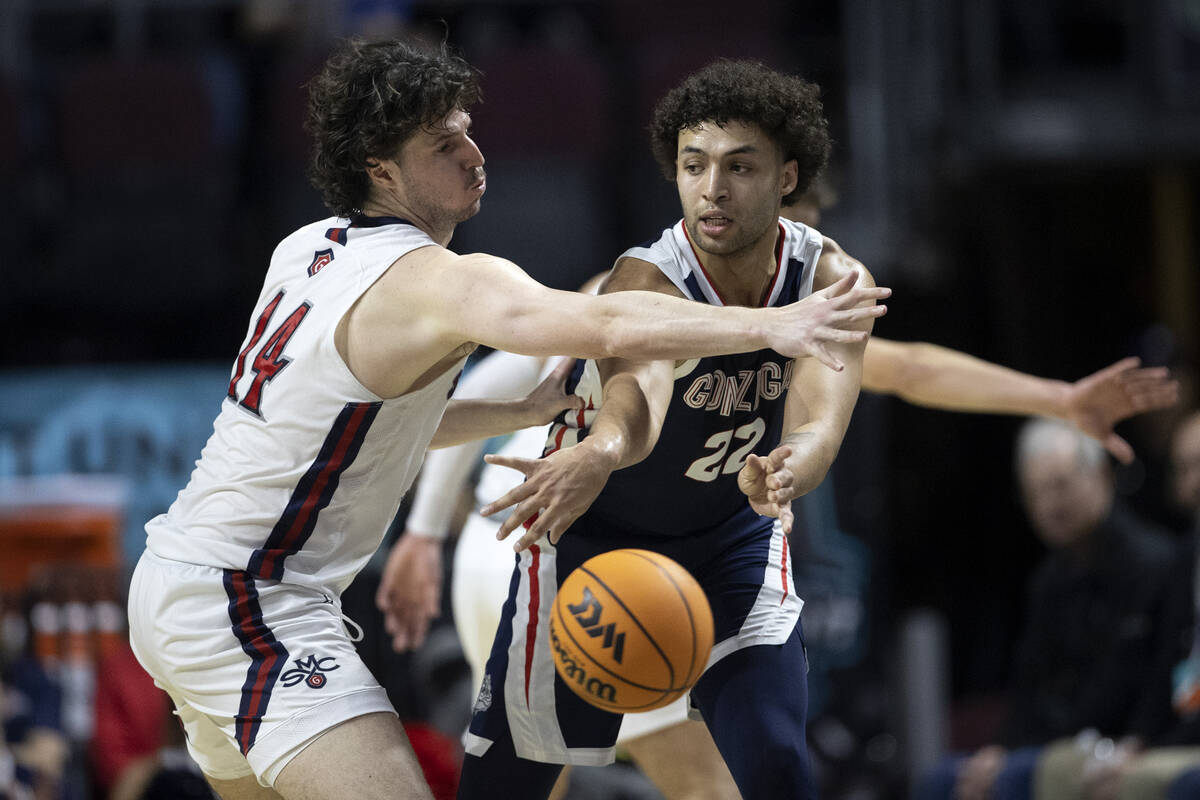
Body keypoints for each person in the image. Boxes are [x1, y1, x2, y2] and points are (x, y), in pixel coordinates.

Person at [125, 38, 888, 800]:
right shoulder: (438, 280)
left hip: (177, 579)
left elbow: (356, 431)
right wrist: (774, 328)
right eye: (443, 144)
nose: (474, 154)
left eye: (467, 129)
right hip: (252, 599)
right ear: (380, 169)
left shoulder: (308, 250)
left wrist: (518, 412)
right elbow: (610, 327)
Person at [379, 212, 1178, 800]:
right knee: (704, 783)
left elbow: (902, 368)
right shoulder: (652, 292)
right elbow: (495, 381)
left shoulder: (781, 308)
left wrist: (1059, 398)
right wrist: (421, 533)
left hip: (528, 543)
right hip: (562, 546)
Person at [448, 58, 884, 800]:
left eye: (739, 167)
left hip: (730, 542)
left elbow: (821, 423)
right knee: (502, 791)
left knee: (779, 766)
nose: (712, 188)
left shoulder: (831, 282)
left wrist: (787, 469)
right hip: (595, 539)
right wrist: (602, 451)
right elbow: (636, 398)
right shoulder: (646, 278)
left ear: (787, 178)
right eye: (693, 165)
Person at [915, 418, 1177, 800]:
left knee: (1012, 779)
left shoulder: (1155, 565)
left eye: (1060, 486)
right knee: (940, 779)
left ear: (1101, 476)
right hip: (1049, 743)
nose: (1049, 505)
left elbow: (1130, 688)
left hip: (1109, 740)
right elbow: (1029, 683)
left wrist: (1018, 755)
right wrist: (1000, 750)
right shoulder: (1050, 577)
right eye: (1035, 493)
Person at [1030, 409, 1200, 800]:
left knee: (1139, 781)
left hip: (1184, 734)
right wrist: (1139, 741)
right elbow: (1164, 670)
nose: (1192, 485)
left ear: (1101, 478)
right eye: (1184, 469)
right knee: (1059, 767)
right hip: (1175, 725)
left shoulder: (1150, 560)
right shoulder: (1187, 554)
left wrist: (1152, 745)